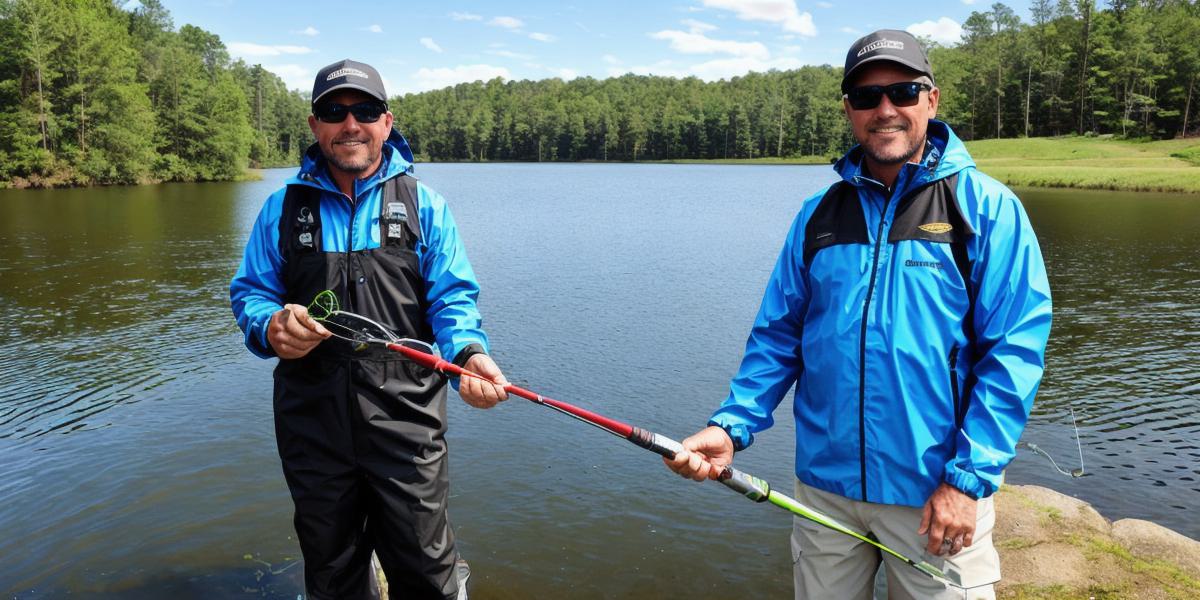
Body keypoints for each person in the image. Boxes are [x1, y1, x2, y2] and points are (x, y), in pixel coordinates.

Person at [664, 30, 1052, 600]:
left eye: (902, 91)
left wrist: (967, 483)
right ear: (849, 109)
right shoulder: (817, 215)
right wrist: (732, 425)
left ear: (931, 100)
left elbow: (1013, 355)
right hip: (824, 490)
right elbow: (779, 337)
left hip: (934, 493)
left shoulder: (987, 209)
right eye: (867, 97)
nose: (885, 109)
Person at [230, 59, 508, 600]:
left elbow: (452, 299)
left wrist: (470, 355)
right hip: (311, 425)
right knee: (331, 573)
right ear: (314, 125)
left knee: (426, 570)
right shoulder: (281, 210)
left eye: (365, 110)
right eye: (334, 111)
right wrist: (270, 327)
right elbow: (251, 294)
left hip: (407, 425)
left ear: (387, 121)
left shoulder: (425, 206)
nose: (349, 123)